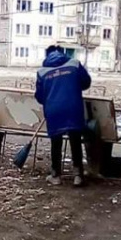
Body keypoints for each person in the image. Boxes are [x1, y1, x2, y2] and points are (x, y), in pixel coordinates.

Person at [35, 45, 92, 187]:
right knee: (75, 140)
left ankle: (56, 176)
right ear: (63, 53)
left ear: (46, 55)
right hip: (73, 107)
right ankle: (78, 175)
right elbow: (86, 82)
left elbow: (40, 96)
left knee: (56, 142)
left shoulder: (42, 72)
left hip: (54, 110)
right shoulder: (74, 64)